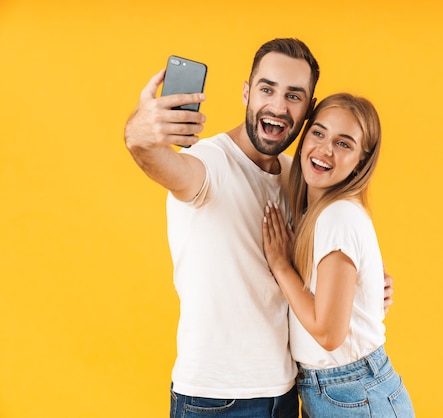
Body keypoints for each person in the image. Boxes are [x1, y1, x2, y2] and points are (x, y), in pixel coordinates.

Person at [124, 38, 394, 418]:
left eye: (294, 96)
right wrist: (139, 138)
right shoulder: (208, 164)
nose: (278, 107)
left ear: (309, 111)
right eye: (267, 89)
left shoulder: (297, 177)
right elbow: (167, 168)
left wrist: (362, 289)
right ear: (247, 92)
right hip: (216, 401)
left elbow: (319, 267)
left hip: (286, 393)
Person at [262, 93, 415, 417]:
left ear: (361, 160)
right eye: (318, 133)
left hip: (352, 393)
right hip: (339, 392)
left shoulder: (337, 216)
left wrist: (280, 265)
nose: (325, 149)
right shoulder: (317, 213)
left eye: (344, 143)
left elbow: (330, 334)